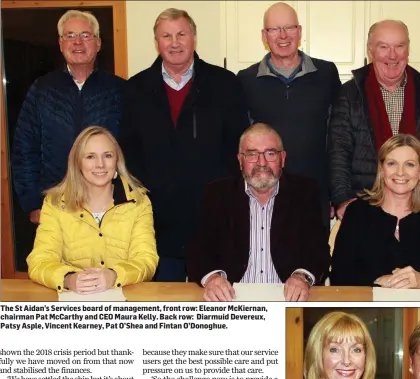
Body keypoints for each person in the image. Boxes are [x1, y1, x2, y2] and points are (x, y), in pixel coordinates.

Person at [119, 8, 249, 282]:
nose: (174, 42)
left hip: (214, 217)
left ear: (194, 38)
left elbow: (237, 149)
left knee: (217, 306)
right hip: (157, 221)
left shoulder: (225, 84)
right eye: (166, 35)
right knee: (166, 309)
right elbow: (129, 153)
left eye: (181, 34)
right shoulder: (135, 89)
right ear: (157, 42)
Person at [187, 123, 329, 302]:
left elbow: (318, 250)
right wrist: (213, 278)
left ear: (283, 159)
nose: (262, 163)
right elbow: (197, 250)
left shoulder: (305, 193)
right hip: (232, 300)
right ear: (240, 160)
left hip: (286, 300)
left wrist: (302, 277)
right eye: (252, 154)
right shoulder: (217, 194)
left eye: (270, 154)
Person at [11, 9, 125, 224]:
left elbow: (133, 149)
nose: (77, 43)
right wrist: (33, 204)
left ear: (98, 43)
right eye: (70, 36)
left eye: (85, 35)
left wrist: (126, 198)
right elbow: (24, 151)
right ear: (61, 44)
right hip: (56, 206)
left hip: (109, 207)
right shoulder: (41, 90)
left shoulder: (119, 90)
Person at [329, 20, 420, 221]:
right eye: (383, 46)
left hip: (418, 207)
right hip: (364, 205)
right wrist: (342, 199)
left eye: (399, 46)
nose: (392, 55)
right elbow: (339, 150)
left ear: (408, 50)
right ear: (370, 51)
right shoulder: (349, 94)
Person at [237, 2, 341, 227]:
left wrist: (335, 193)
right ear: (264, 36)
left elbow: (337, 139)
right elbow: (242, 147)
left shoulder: (326, 74)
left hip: (315, 194)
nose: (283, 35)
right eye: (274, 29)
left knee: (314, 260)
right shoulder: (245, 80)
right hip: (263, 196)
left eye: (289, 28)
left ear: (300, 32)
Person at [27, 126, 158, 293]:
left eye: (107, 156)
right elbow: (39, 261)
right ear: (77, 163)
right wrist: (68, 279)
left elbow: (146, 260)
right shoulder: (54, 204)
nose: (100, 164)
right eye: (90, 157)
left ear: (117, 162)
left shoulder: (139, 202)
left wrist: (114, 275)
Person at [331, 134, 420, 288]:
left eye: (409, 164)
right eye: (392, 163)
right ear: (382, 169)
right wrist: (377, 282)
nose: (400, 172)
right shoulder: (357, 212)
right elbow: (339, 276)